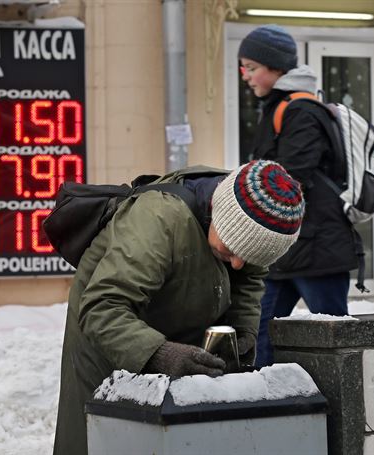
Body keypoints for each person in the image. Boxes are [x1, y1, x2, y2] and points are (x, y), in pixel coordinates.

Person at [53, 159, 305, 455]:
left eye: (248, 257)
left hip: (175, 330)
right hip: (108, 339)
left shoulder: (245, 213)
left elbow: (247, 280)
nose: (237, 263)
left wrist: (242, 330)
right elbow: (102, 308)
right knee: (105, 439)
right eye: (233, 250)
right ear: (219, 216)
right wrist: (159, 353)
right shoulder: (158, 219)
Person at [237, 24, 360, 367]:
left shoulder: (300, 110)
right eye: (243, 67)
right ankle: (264, 407)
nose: (245, 76)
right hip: (290, 247)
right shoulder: (279, 108)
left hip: (318, 247)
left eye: (251, 67)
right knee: (262, 334)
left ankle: (345, 417)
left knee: (334, 340)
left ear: (275, 67)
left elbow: (290, 176)